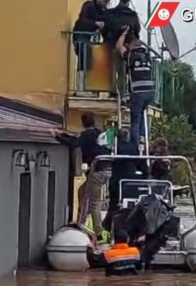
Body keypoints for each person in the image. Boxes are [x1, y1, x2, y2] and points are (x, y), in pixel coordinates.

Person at [51, 112, 111, 240]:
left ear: (83, 123)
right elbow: (76, 139)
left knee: (92, 202)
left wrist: (57, 137)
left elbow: (74, 143)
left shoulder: (88, 135)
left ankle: (96, 231)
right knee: (82, 191)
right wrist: (61, 134)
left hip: (97, 171)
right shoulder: (98, 133)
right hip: (106, 169)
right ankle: (81, 221)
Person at [116, 26, 154, 147]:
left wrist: (124, 33)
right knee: (142, 114)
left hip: (137, 93)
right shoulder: (148, 57)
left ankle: (135, 144)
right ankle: (142, 138)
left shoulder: (130, 55)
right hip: (150, 92)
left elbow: (118, 47)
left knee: (135, 120)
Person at [103, 128, 148, 231]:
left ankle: (108, 227)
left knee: (113, 205)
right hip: (131, 182)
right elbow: (141, 164)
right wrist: (146, 174)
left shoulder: (115, 148)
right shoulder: (134, 148)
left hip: (116, 181)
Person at [102, 0, 141, 96]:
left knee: (112, 69)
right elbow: (137, 32)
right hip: (128, 48)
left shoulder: (110, 14)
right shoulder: (133, 16)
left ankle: (112, 91)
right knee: (125, 71)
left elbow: (104, 30)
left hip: (112, 46)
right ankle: (123, 91)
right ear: (128, 3)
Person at [72, 0, 109, 91]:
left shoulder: (103, 10)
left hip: (89, 38)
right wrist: (95, 24)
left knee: (88, 61)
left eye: (107, 2)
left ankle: (86, 87)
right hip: (80, 35)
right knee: (84, 59)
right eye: (104, 1)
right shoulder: (89, 5)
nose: (105, 4)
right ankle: (81, 87)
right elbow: (82, 20)